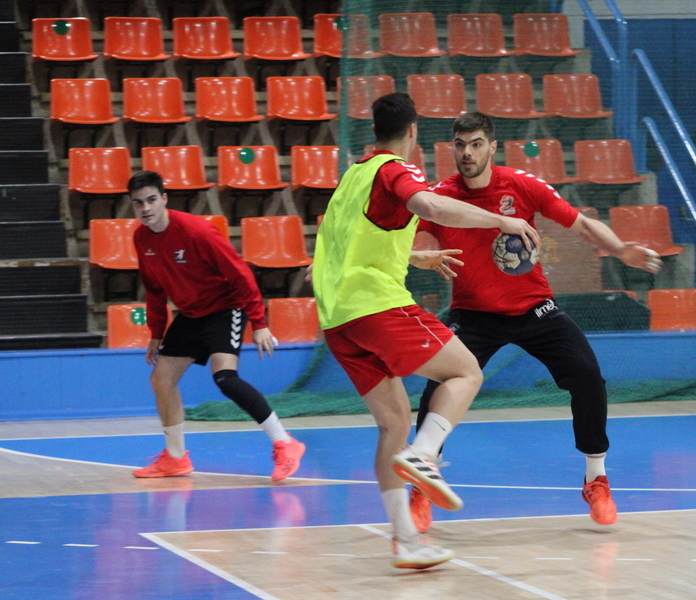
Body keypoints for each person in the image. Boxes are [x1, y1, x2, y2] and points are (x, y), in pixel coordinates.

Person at [311, 93, 540, 570]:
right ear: (413, 131)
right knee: (466, 373)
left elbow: (348, 242)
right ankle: (425, 452)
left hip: (336, 318)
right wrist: (502, 218)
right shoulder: (398, 169)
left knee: (392, 423)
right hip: (373, 305)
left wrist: (416, 256)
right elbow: (429, 205)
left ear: (374, 129)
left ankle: (407, 542)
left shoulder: (354, 175)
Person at [409, 112, 663, 533]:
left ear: (492, 147)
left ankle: (595, 478)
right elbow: (395, 235)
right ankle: (421, 482)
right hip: (472, 314)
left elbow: (580, 223)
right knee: (440, 385)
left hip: (534, 308)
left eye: (475, 144)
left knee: (586, 375)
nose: (467, 153)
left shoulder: (521, 186)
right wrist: (418, 255)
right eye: (459, 144)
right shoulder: (440, 198)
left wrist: (619, 249)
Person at [128, 170, 305, 483]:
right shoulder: (141, 238)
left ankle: (285, 442)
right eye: (138, 203)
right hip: (191, 313)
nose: (146, 208)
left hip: (225, 306)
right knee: (161, 379)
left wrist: (259, 323)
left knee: (224, 377)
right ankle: (176, 457)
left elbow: (240, 274)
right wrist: (156, 333)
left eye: (152, 199)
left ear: (165, 199)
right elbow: (154, 288)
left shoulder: (197, 231)